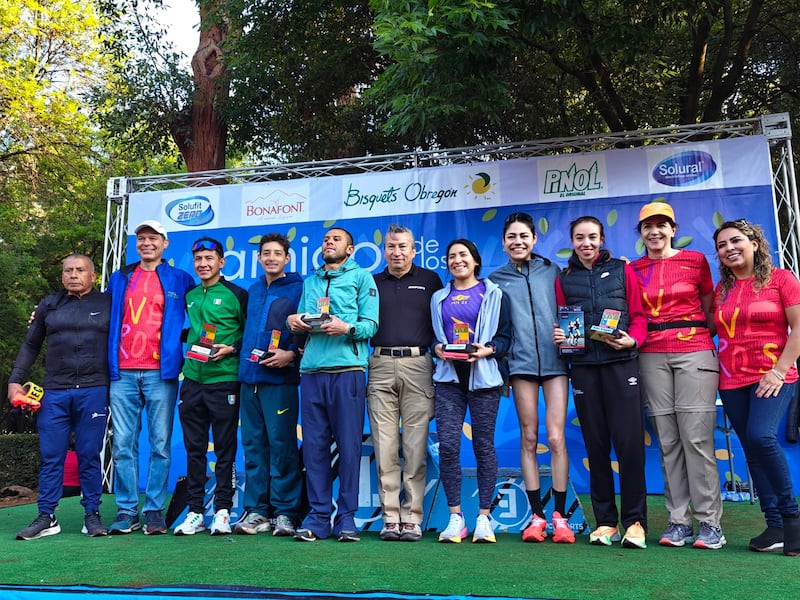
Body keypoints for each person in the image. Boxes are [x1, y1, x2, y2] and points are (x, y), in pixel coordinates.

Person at [630, 201, 724, 550]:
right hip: (650, 353)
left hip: (694, 348)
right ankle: (678, 521)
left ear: (673, 228)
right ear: (640, 233)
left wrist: (698, 337)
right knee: (668, 441)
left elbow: (710, 307)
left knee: (696, 440)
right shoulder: (633, 268)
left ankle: (710, 524)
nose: (654, 231)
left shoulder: (695, 260)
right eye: (647, 226)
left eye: (661, 225)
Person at [552, 216, 649, 549]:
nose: (586, 243)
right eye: (579, 238)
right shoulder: (564, 279)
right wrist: (561, 336)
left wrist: (632, 342)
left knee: (629, 447)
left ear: (602, 238)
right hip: (583, 369)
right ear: (572, 241)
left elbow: (639, 317)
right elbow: (563, 320)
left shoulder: (624, 271)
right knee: (596, 446)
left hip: (622, 365)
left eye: (592, 237)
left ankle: (635, 522)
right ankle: (606, 522)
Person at [712, 220, 800, 556]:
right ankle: (774, 524)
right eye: (722, 245)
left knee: (762, 437)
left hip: (774, 376)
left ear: (754, 243)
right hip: (732, 379)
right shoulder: (723, 290)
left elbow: (798, 328)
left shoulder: (782, 280)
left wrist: (778, 371)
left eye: (736, 241)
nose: (729, 248)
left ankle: (792, 518)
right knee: (751, 447)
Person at [287, 227, 379, 542]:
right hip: (311, 372)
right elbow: (301, 321)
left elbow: (371, 325)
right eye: (326, 239)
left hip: (348, 370)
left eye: (336, 239)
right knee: (313, 448)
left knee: (350, 447)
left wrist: (347, 327)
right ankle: (318, 518)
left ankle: (347, 519)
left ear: (350, 249)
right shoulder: (311, 281)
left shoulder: (362, 278)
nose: (329, 242)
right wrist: (294, 322)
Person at [10, 255, 111, 540]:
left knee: (89, 455)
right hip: (54, 392)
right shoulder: (48, 305)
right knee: (51, 456)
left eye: (80, 270)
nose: (73, 275)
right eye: (68, 270)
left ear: (93, 276)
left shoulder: (108, 303)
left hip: (94, 389)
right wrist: (14, 381)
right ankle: (47, 516)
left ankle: (92, 514)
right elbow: (30, 345)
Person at [488, 212, 573, 544]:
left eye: (524, 236)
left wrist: (566, 335)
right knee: (528, 438)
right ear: (505, 242)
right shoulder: (495, 280)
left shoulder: (553, 271)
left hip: (556, 364)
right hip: (520, 365)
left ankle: (560, 518)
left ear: (534, 239)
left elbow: (570, 310)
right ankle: (537, 517)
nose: (518, 241)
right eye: (511, 237)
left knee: (555, 439)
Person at [106, 220, 195, 535]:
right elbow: (103, 316)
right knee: (123, 445)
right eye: (142, 238)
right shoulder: (120, 278)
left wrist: (183, 344)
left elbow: (199, 314)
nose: (146, 243)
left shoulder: (180, 278)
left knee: (160, 444)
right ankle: (127, 511)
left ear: (165, 244)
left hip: (162, 372)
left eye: (153, 238)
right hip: (122, 372)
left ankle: (154, 510)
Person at [431, 239, 511, 544]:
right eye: (451, 256)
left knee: (483, 446)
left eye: (463, 255)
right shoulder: (439, 296)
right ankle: (456, 518)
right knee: (449, 447)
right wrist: (436, 348)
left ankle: (483, 517)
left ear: (475, 261)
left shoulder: (493, 293)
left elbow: (505, 337)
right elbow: (434, 337)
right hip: (449, 379)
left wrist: (488, 350)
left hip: (485, 379)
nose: (457, 260)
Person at [368, 224, 443, 542]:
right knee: (385, 446)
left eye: (403, 247)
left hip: (419, 364)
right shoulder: (371, 282)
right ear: (384, 250)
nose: (396, 252)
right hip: (380, 364)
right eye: (390, 247)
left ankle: (412, 517)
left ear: (414, 250)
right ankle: (390, 517)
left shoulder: (430, 281)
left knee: (414, 446)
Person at [173, 237, 248, 536]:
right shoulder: (190, 295)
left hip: (224, 380)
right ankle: (195, 512)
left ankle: (223, 511)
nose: (203, 264)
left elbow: (251, 334)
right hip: (192, 380)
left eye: (209, 258)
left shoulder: (237, 294)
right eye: (198, 259)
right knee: (194, 450)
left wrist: (231, 348)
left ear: (222, 262)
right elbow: (183, 332)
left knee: (225, 450)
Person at [234, 233, 304, 537]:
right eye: (266, 253)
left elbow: (308, 332)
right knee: (253, 447)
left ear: (287, 258)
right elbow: (248, 332)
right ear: (259, 258)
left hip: (280, 381)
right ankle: (257, 511)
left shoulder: (300, 288)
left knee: (282, 447)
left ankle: (286, 512)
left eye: (277, 253)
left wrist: (291, 355)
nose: (271, 257)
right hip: (248, 381)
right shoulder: (252, 289)